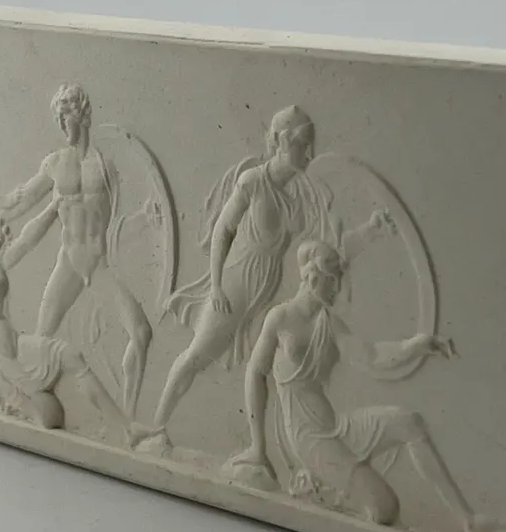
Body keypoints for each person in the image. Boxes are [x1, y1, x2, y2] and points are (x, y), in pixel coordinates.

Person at [135, 106, 389, 454]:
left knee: (260, 368)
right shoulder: (253, 181)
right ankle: (156, 426)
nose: (310, 153)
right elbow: (223, 230)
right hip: (235, 287)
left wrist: (371, 231)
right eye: (302, 144)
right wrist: (217, 285)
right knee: (197, 355)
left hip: (265, 295)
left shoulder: (297, 199)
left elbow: (327, 253)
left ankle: (257, 449)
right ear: (282, 142)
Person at [232, 240, 506, 532]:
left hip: (335, 426)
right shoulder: (280, 318)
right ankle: (323, 498)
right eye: (333, 280)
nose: (337, 289)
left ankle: (469, 522)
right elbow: (255, 373)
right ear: (314, 277)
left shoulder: (330, 323)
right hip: (308, 438)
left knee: (409, 423)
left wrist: (417, 344)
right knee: (385, 509)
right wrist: (257, 447)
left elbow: (372, 356)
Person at [0, 84, 154, 419]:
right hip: (68, 264)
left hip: (97, 265)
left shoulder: (106, 167)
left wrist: (145, 218)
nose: (61, 123)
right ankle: (20, 400)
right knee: (41, 339)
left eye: (65, 116)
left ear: (80, 115)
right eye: (58, 117)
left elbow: (120, 221)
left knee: (141, 332)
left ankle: (129, 420)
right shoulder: (55, 164)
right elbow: (25, 198)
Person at [0, 184, 132, 437]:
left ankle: (124, 426)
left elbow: (28, 239)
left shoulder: (0, 264)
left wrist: (53, 207)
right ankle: (15, 399)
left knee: (70, 355)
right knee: (50, 415)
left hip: (14, 345)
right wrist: (4, 200)